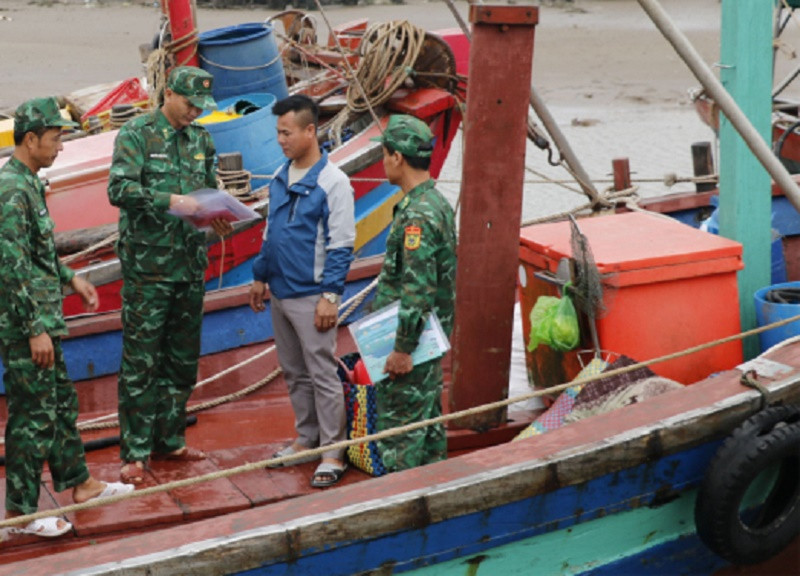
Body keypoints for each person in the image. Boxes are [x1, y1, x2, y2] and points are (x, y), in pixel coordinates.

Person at [0, 97, 134, 538]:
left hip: (44, 318)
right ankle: (20, 513)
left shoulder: (31, 184)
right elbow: (9, 267)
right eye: (55, 138)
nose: (60, 147)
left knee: (59, 406)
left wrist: (71, 278)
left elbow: (39, 254)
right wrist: (33, 328)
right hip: (26, 326)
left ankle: (80, 484)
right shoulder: (11, 192)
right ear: (31, 139)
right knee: (31, 417)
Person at [107, 66, 232, 485]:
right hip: (148, 270)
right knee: (143, 362)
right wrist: (169, 199)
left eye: (201, 107)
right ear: (169, 94)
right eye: (190, 104)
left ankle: (170, 439)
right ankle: (136, 451)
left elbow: (207, 192)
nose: (195, 112)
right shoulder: (138, 134)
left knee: (181, 360)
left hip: (189, 266)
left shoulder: (202, 140)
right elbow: (119, 191)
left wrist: (217, 215)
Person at [249, 94, 355, 488]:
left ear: (310, 131)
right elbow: (270, 233)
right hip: (280, 292)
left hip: (312, 296)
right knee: (295, 372)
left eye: (286, 132)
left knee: (322, 372)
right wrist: (259, 276)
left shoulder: (333, 183)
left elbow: (343, 244)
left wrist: (331, 296)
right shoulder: (281, 176)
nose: (281, 140)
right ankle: (306, 439)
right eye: (277, 133)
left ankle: (332, 451)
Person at [369, 114, 457, 472]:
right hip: (432, 336)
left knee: (401, 434)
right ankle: (433, 496)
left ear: (397, 158)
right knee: (429, 424)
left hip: (413, 343)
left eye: (384, 155)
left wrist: (403, 349)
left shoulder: (417, 215)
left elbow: (418, 289)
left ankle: (401, 506)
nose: (383, 162)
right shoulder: (436, 202)